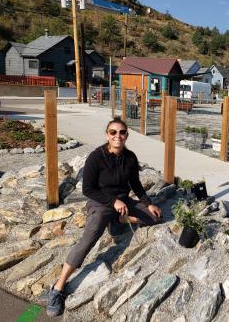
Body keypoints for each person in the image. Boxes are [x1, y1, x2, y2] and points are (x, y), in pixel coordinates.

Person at [46, 117, 162, 317]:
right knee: (89, 238)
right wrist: (112, 202)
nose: (118, 136)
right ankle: (57, 288)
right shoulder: (96, 157)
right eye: (113, 132)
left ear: (127, 135)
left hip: (123, 202)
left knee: (155, 218)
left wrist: (148, 202)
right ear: (107, 135)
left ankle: (117, 221)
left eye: (122, 132)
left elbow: (136, 184)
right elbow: (88, 189)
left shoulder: (130, 158)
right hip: (100, 203)